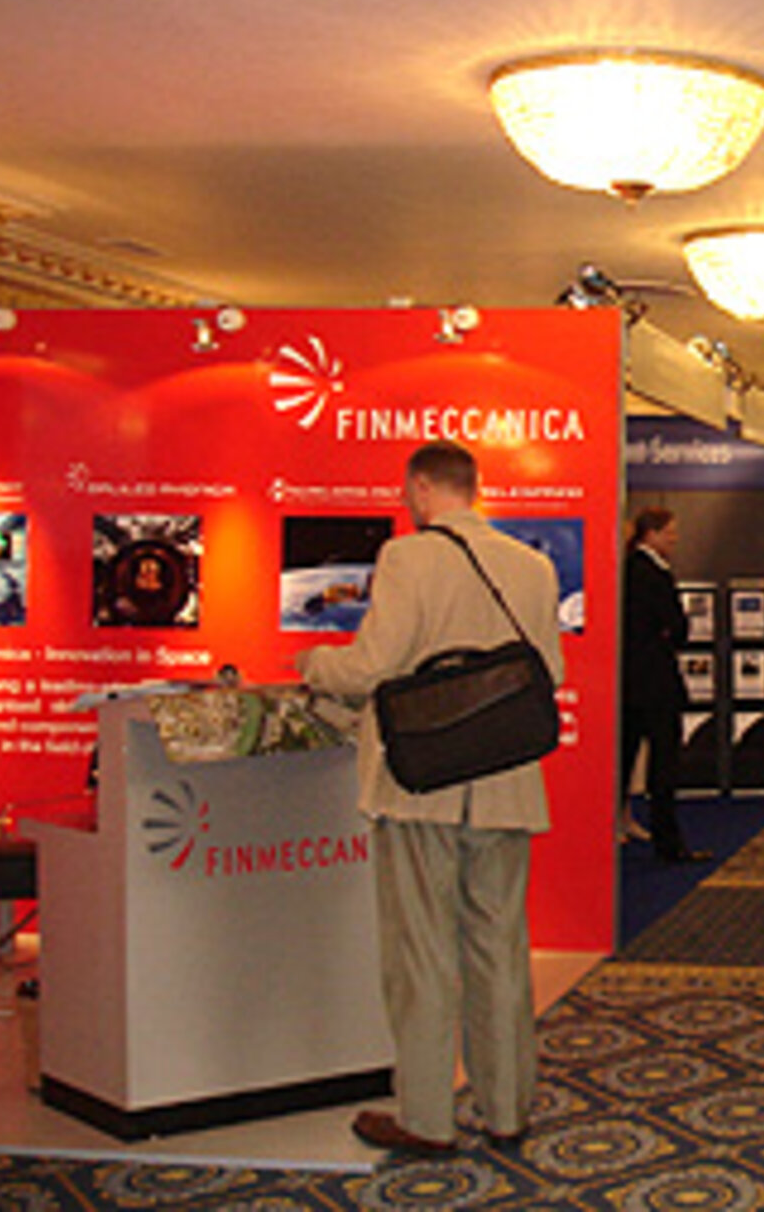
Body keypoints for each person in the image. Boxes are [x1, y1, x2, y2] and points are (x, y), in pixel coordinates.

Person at [297, 440, 562, 1157]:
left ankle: (427, 1116)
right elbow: (551, 668)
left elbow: (372, 666)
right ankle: (508, 1108)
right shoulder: (532, 567)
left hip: (421, 785)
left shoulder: (407, 558)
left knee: (420, 952)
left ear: (419, 488)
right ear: (473, 489)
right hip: (506, 784)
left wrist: (313, 662)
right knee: (500, 948)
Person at [621, 508, 709, 864]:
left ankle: (618, 822)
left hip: (629, 683)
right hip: (655, 684)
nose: (674, 540)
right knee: (663, 765)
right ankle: (668, 842)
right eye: (670, 533)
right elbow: (677, 627)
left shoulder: (627, 569)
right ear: (651, 534)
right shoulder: (654, 574)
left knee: (623, 759)